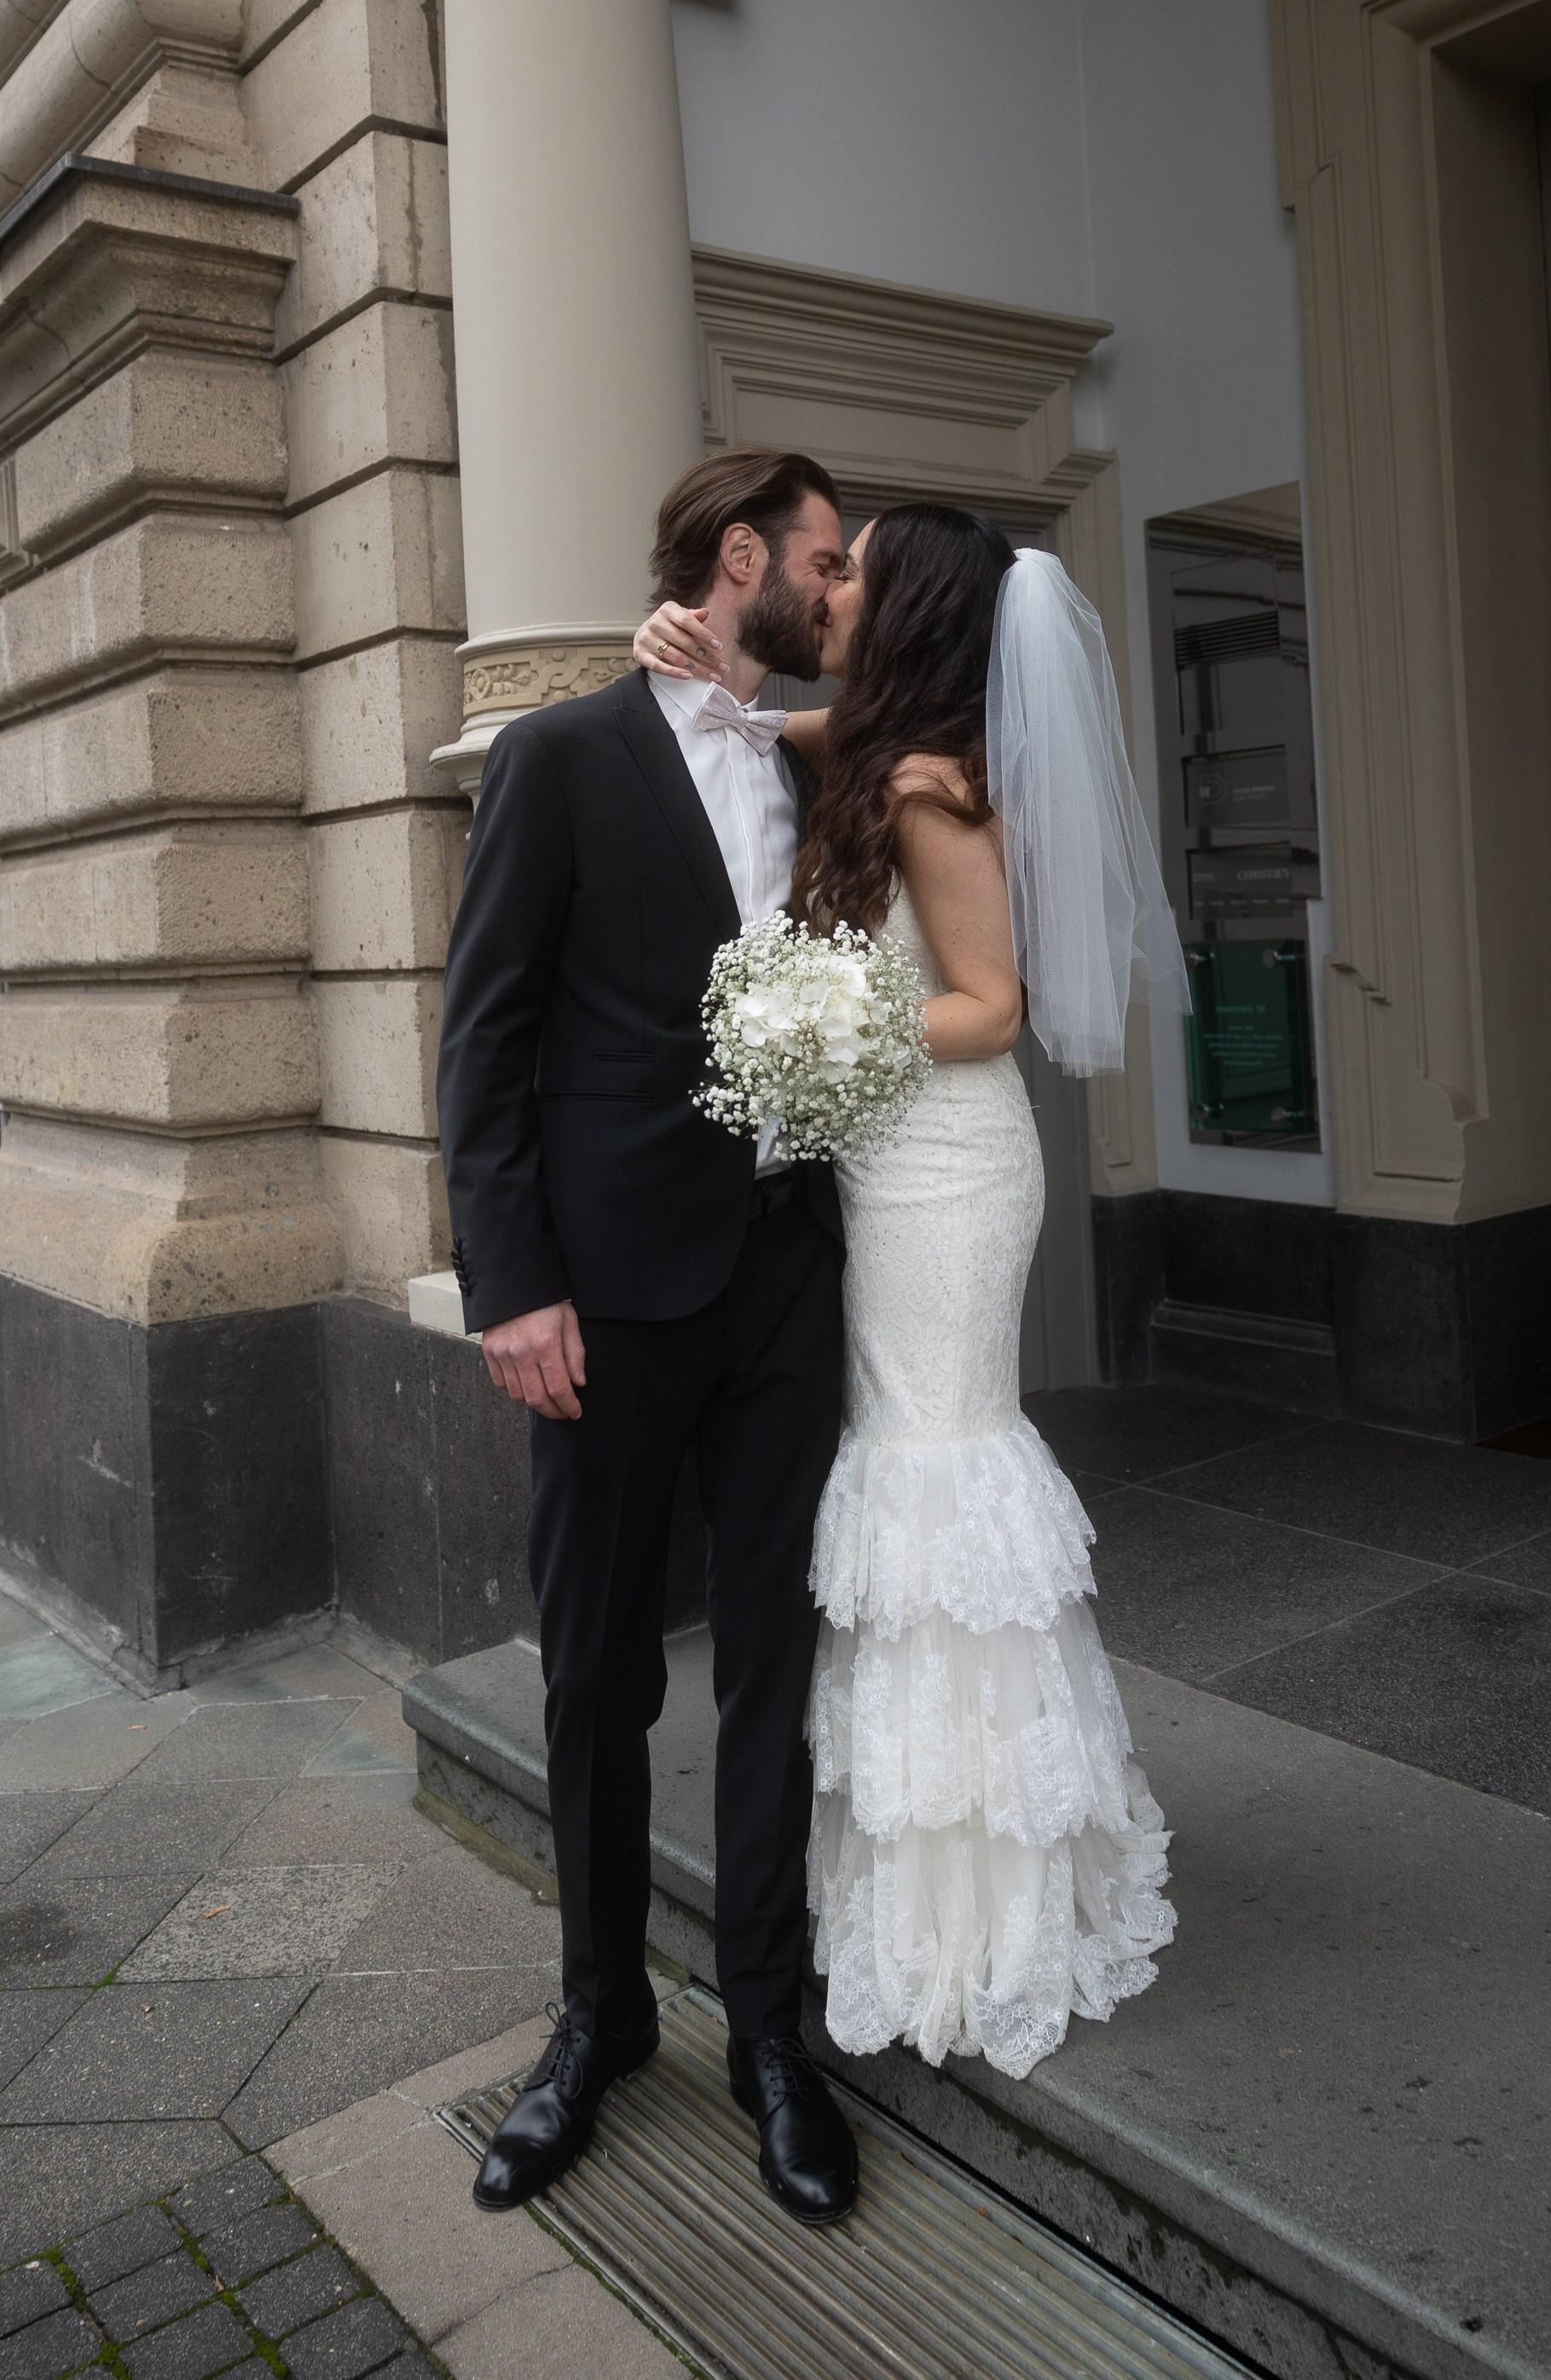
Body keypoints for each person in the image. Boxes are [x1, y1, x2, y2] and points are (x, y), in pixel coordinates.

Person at [634, 503, 1181, 2079]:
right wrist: (658, 647)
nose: (834, 579)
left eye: (857, 565)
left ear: (916, 603)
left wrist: (817, 1028)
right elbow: (731, 720)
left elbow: (991, 1007)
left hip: (944, 1167)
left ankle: (981, 1904)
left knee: (935, 1480)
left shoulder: (933, 782)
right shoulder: (866, 739)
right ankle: (916, 1869)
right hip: (878, 1162)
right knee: (895, 1482)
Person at [436, 446, 863, 2229]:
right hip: (601, 1300)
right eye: (824, 561)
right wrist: (509, 1281)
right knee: (598, 1669)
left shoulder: (815, 759)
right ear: (741, 553)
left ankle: (773, 2029)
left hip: (784, 1276)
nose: (839, 590)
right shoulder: (557, 758)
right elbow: (485, 1043)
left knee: (776, 1665)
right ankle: (599, 2019)